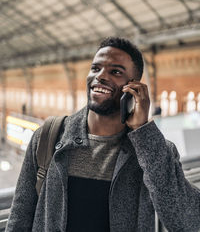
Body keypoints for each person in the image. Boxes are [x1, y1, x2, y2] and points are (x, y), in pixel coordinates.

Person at [6, 37, 200, 232]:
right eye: (95, 68)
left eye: (115, 71)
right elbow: (20, 216)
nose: (100, 76)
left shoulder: (153, 152)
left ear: (134, 87)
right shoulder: (49, 137)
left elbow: (186, 221)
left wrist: (144, 132)